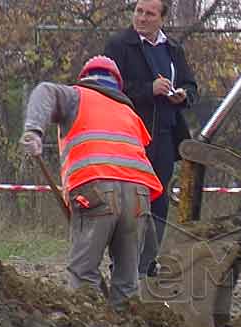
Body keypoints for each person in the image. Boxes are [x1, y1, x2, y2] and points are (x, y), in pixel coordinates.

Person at [19, 56, 163, 309]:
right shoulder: (129, 113)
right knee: (127, 283)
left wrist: (34, 130)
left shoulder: (77, 96)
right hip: (139, 198)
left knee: (83, 272)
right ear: (117, 85)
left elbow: (44, 91)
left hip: (96, 190)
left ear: (84, 78)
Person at [104, 0, 198, 277]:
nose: (142, 18)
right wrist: (149, 89)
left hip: (166, 138)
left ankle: (147, 263)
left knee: (158, 200)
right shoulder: (119, 45)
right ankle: (123, 264)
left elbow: (191, 85)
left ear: (162, 19)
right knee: (130, 201)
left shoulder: (172, 49)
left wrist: (183, 95)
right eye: (138, 11)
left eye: (149, 14)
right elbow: (108, 88)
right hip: (131, 138)